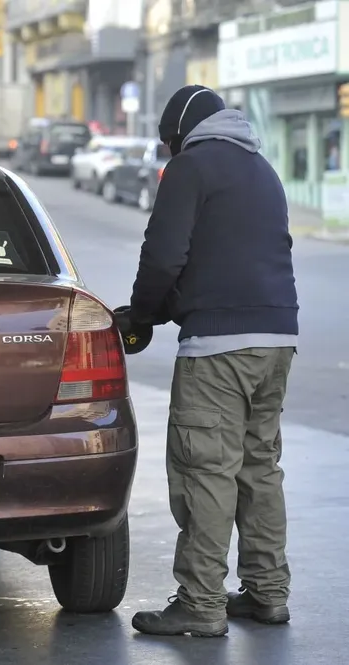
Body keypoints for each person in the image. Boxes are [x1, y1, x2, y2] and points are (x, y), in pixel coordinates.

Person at [126, 85, 298, 637]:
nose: (168, 152)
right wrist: (173, 307)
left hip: (218, 350)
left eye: (168, 141)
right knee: (259, 468)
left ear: (180, 130)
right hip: (276, 339)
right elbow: (231, 259)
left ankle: (201, 604)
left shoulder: (192, 167)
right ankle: (268, 592)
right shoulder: (262, 169)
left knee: (206, 471)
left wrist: (144, 315)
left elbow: (164, 255)